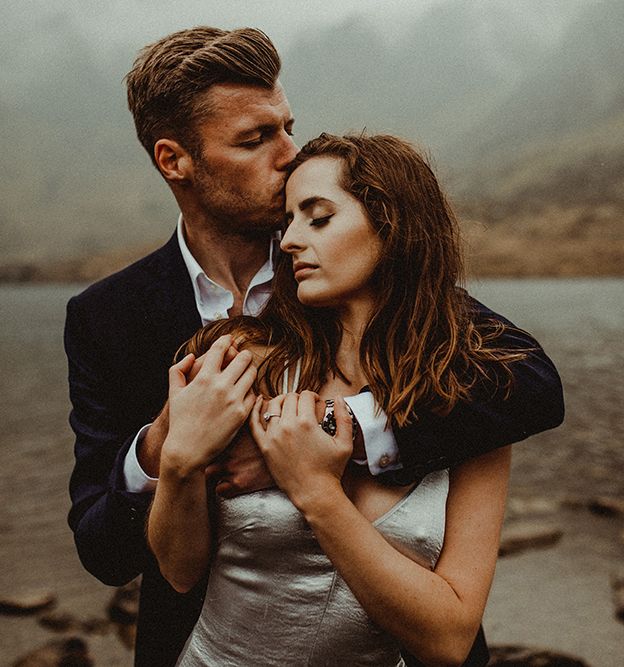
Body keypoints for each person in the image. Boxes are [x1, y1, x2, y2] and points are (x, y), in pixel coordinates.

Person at [64, 27, 563, 667]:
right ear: (174, 160)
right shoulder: (105, 318)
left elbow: (530, 385)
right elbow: (102, 551)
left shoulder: (347, 268)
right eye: (255, 139)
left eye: (287, 126)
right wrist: (164, 448)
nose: (290, 153)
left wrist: (327, 430)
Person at [148, 133, 534, 666]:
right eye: (288, 222)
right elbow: (179, 570)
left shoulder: (469, 402)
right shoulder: (248, 361)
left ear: (392, 225)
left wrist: (316, 492)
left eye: (319, 218)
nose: (286, 241)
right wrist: (177, 462)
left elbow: (448, 641)